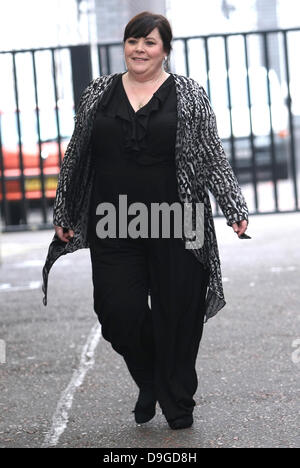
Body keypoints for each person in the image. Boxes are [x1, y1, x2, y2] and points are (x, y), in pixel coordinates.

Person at [42, 11, 249, 430]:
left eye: (149, 42)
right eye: (133, 41)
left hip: (179, 219)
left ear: (165, 50)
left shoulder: (189, 94)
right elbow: (77, 152)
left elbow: (211, 154)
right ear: (124, 46)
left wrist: (233, 207)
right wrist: (65, 209)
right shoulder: (99, 92)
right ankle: (150, 378)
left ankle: (177, 400)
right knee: (117, 310)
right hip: (114, 220)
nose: (139, 49)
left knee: (180, 315)